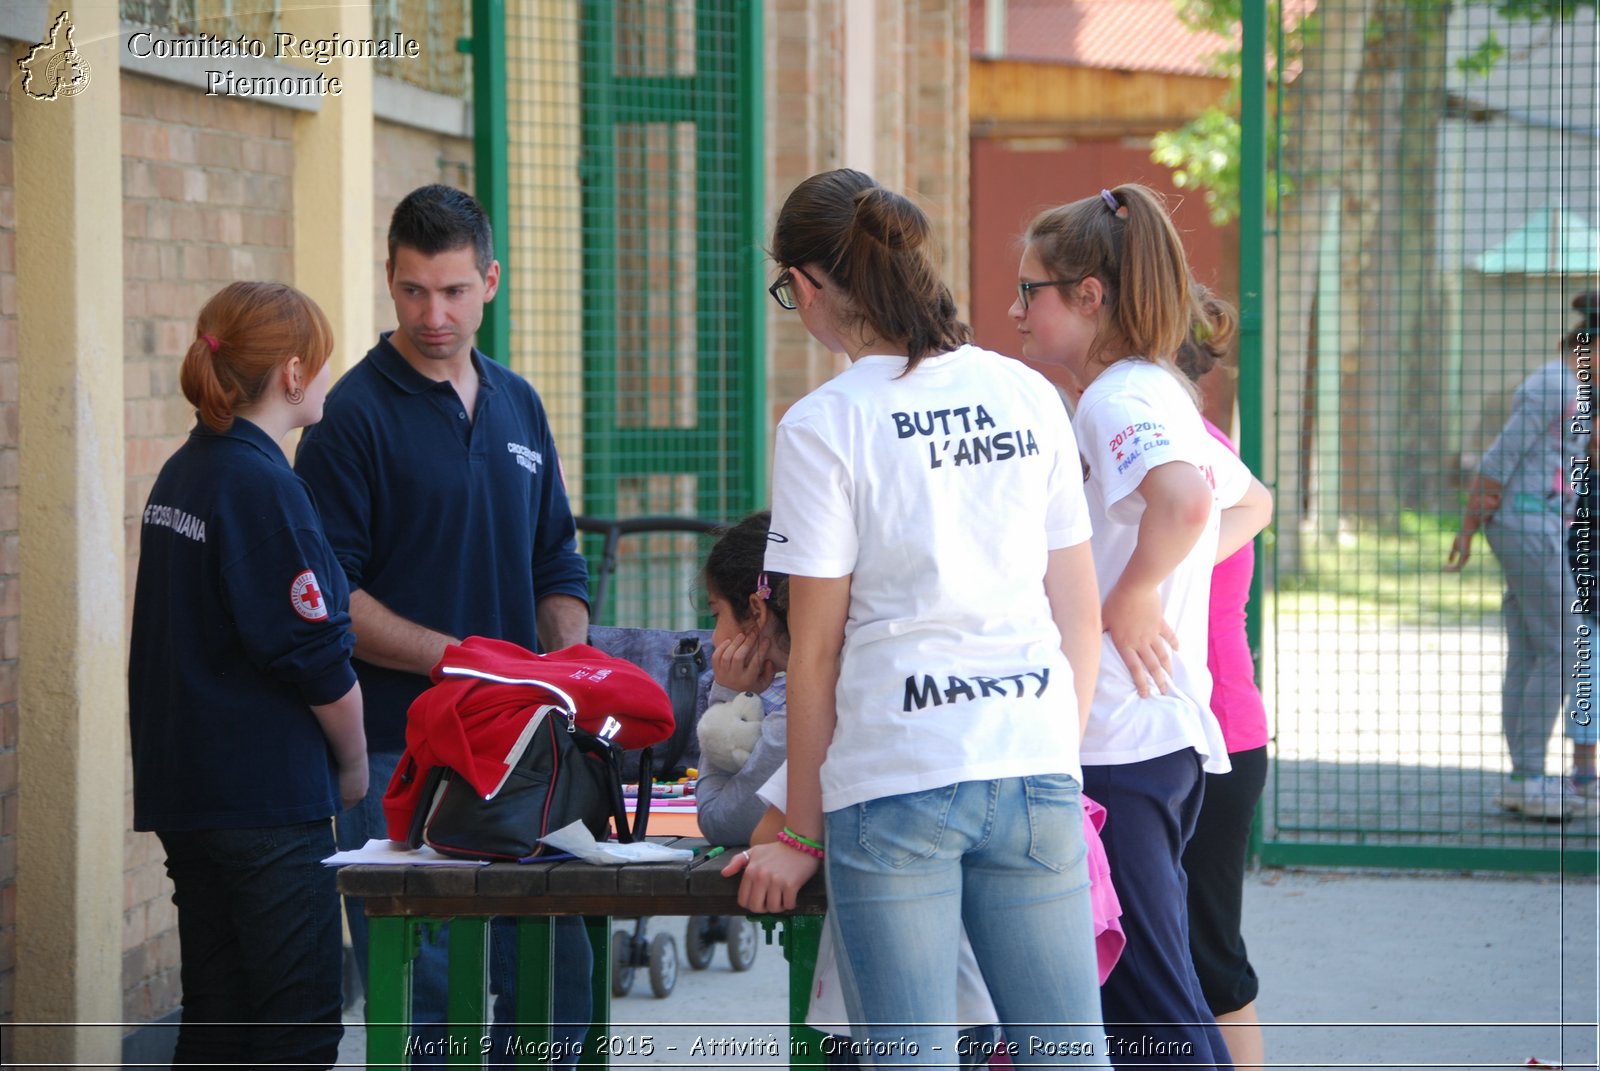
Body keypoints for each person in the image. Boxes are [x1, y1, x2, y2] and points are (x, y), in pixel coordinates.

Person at [725, 168, 1109, 1067]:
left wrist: (803, 831)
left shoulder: (824, 424)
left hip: (897, 777)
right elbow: (1077, 612)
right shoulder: (1029, 395)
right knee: (1069, 1055)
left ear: (812, 286)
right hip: (1032, 761)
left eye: (789, 292)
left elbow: (815, 655)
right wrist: (1055, 749)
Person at [294, 185, 593, 1061]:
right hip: (400, 752)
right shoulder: (349, 418)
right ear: (390, 279)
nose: (434, 313)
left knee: (554, 975)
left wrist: (566, 668)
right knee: (428, 1005)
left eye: (455, 290)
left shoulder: (517, 402)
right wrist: (466, 661)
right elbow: (332, 601)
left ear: (490, 281)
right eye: (415, 290)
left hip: (520, 754)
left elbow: (556, 565)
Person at [1008, 184, 1272, 1070]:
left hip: (1122, 743)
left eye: (1030, 291)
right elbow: (1248, 501)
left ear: (1088, 295)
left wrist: (1137, 591)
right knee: (1155, 995)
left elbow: (1191, 498)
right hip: (1153, 738)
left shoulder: (1115, 399)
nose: (1013, 312)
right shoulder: (1155, 389)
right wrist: (1165, 575)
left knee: (1149, 1004)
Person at [128, 281, 367, 1068]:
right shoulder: (264, 486)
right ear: (293, 375)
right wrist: (356, 763)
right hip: (263, 802)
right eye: (322, 362)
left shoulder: (185, 473)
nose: (328, 376)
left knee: (220, 1019)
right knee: (298, 1025)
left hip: (192, 793)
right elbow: (316, 655)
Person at [1446, 289, 1598, 819]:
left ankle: (1522, 776)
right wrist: (1467, 528)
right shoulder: (1554, 386)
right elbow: (1498, 457)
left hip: (1540, 526)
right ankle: (1529, 777)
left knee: (1534, 648)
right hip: (1526, 523)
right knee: (1563, 645)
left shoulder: (1572, 386)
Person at [1174, 285, 1269, 1069]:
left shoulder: (1187, 444)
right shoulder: (1175, 437)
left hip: (1219, 737)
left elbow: (1258, 504)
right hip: (1190, 730)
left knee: (1210, 953)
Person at [693, 511, 791, 847]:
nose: (717, 639)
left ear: (756, 611)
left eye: (717, 614)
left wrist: (727, 698)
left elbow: (721, 819)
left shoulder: (802, 707)